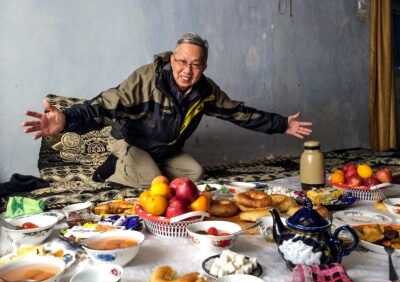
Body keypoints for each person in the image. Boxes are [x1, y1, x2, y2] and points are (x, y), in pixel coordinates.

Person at [22, 32, 312, 188]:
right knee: (155, 182)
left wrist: (281, 124)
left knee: (195, 175)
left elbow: (238, 112)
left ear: (203, 67)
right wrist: (67, 120)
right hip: (130, 141)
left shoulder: (206, 91)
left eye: (195, 64)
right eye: (182, 62)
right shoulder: (145, 80)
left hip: (164, 148)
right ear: (172, 60)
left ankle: (147, 168)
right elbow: (105, 104)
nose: (187, 70)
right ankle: (115, 168)